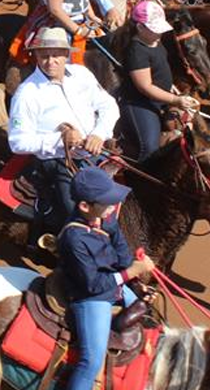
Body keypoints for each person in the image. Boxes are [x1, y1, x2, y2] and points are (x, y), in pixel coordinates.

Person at [7, 27, 120, 235]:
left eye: (56, 55)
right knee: (79, 221)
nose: (51, 62)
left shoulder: (82, 75)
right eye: (44, 56)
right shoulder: (26, 94)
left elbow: (109, 106)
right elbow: (17, 142)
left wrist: (99, 134)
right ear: (36, 56)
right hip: (58, 162)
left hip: (96, 152)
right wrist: (61, 140)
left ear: (66, 54)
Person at [58, 166, 157, 390]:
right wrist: (130, 272)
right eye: (107, 202)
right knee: (91, 361)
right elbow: (94, 285)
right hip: (91, 297)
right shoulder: (74, 239)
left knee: (149, 318)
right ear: (85, 206)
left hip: (115, 283)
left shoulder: (105, 218)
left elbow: (121, 248)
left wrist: (135, 282)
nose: (113, 206)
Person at [119, 0, 200, 161]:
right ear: (140, 28)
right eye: (155, 29)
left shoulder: (155, 41)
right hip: (139, 104)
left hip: (161, 99)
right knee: (149, 147)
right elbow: (145, 87)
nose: (160, 33)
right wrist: (175, 100)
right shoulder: (137, 51)